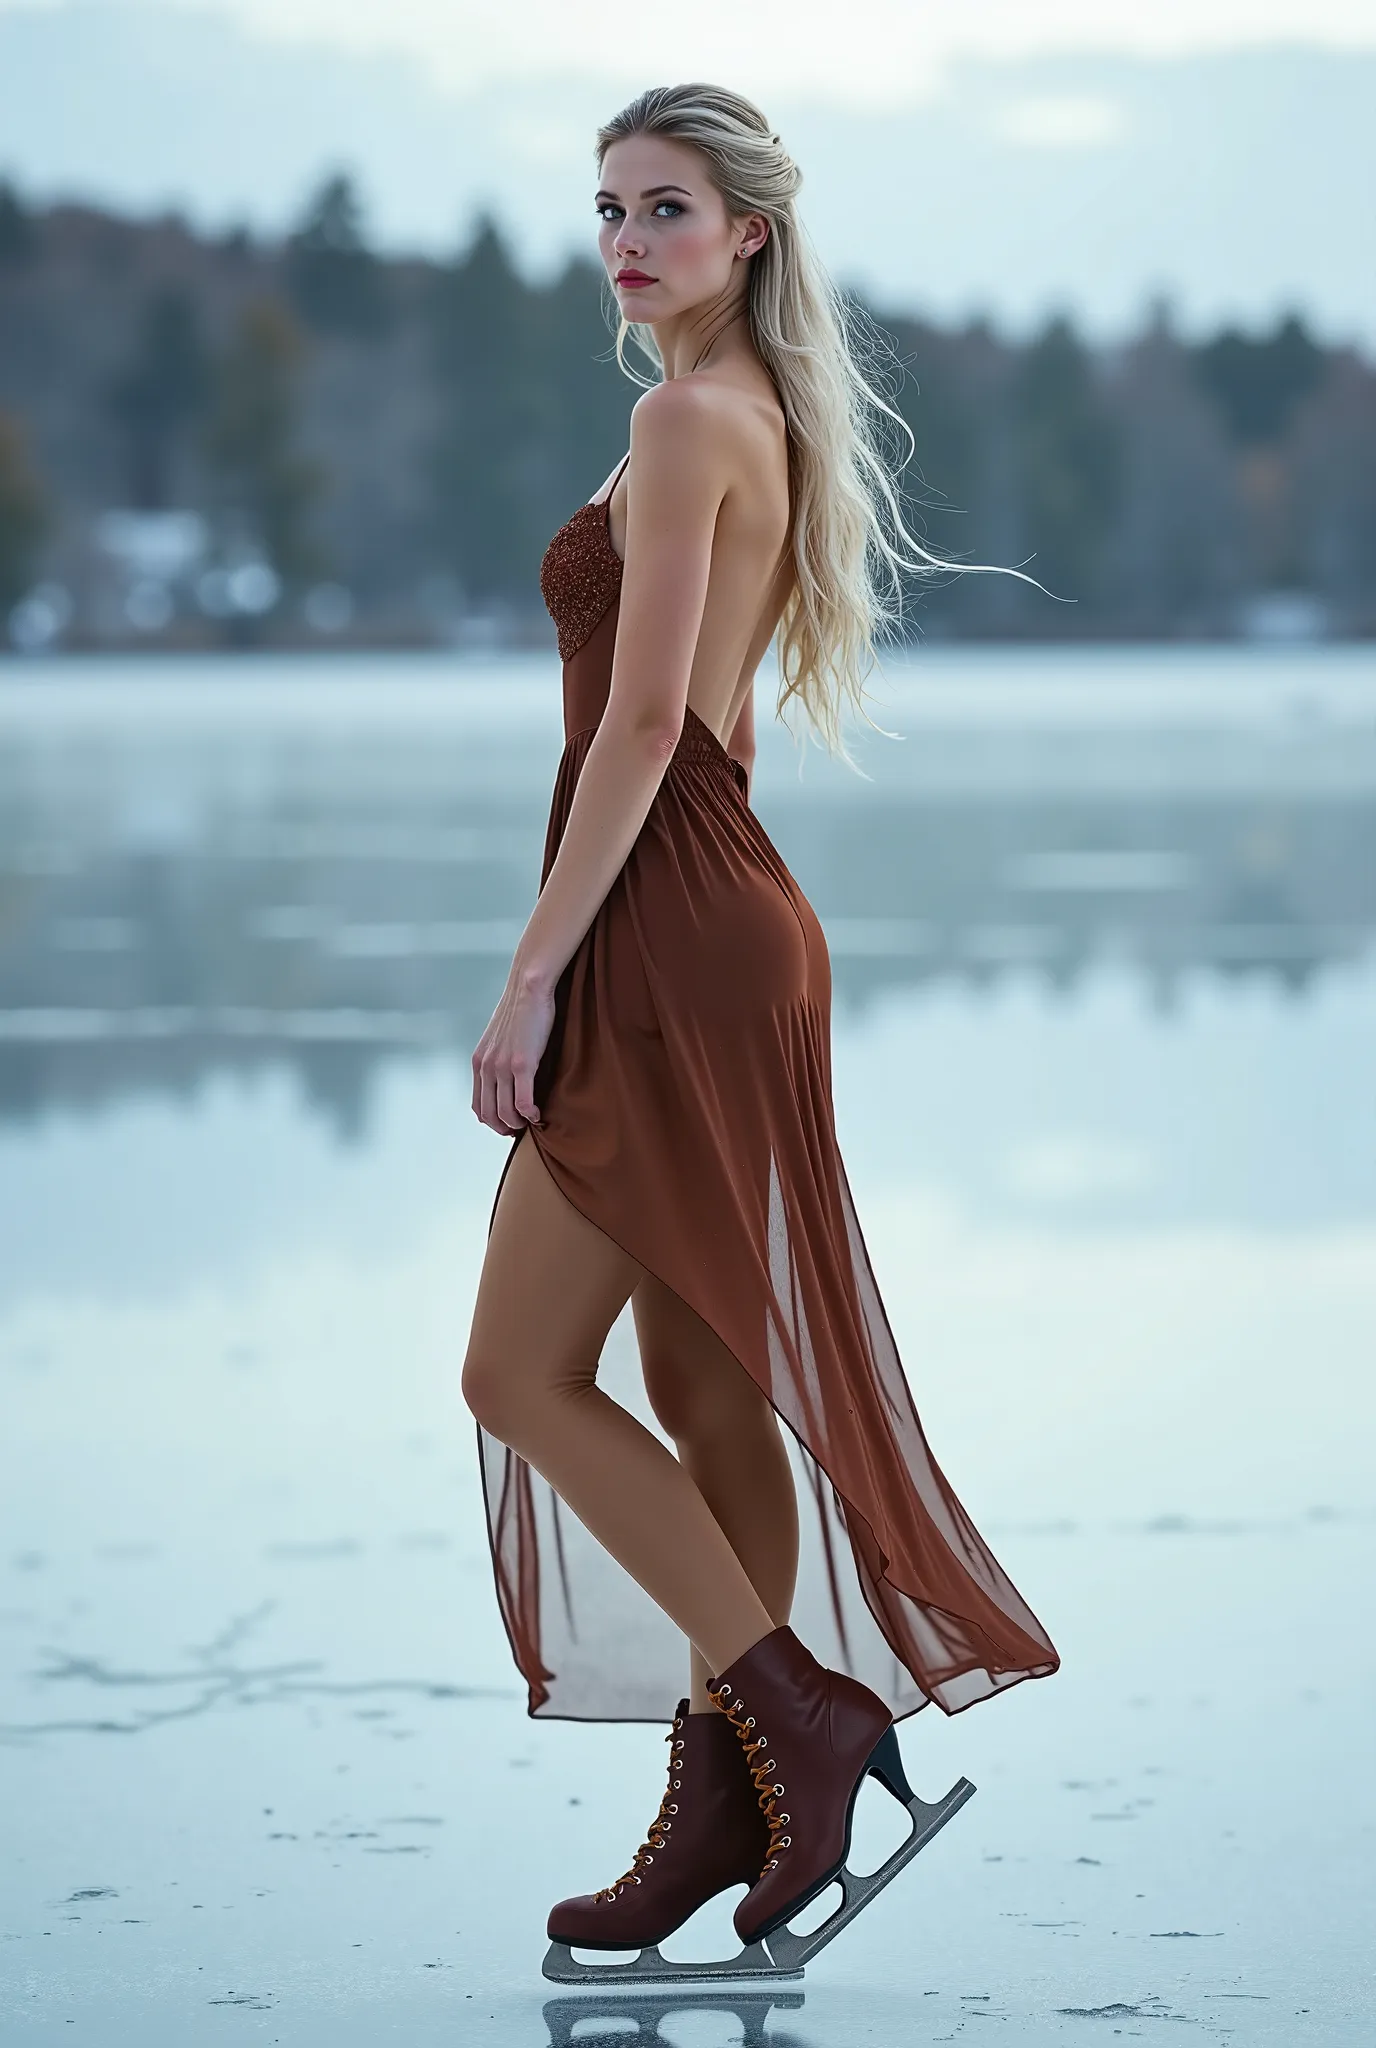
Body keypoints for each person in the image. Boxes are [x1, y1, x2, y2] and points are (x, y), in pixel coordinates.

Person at [461, 81, 1060, 1963]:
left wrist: (533, 977)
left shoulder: (681, 416)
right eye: (611, 207)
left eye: (668, 208)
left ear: (751, 236)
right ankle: (730, 1791)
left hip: (668, 924)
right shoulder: (749, 416)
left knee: (518, 1372)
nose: (629, 239)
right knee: (711, 1385)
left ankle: (794, 1708)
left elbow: (642, 732)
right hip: (724, 918)